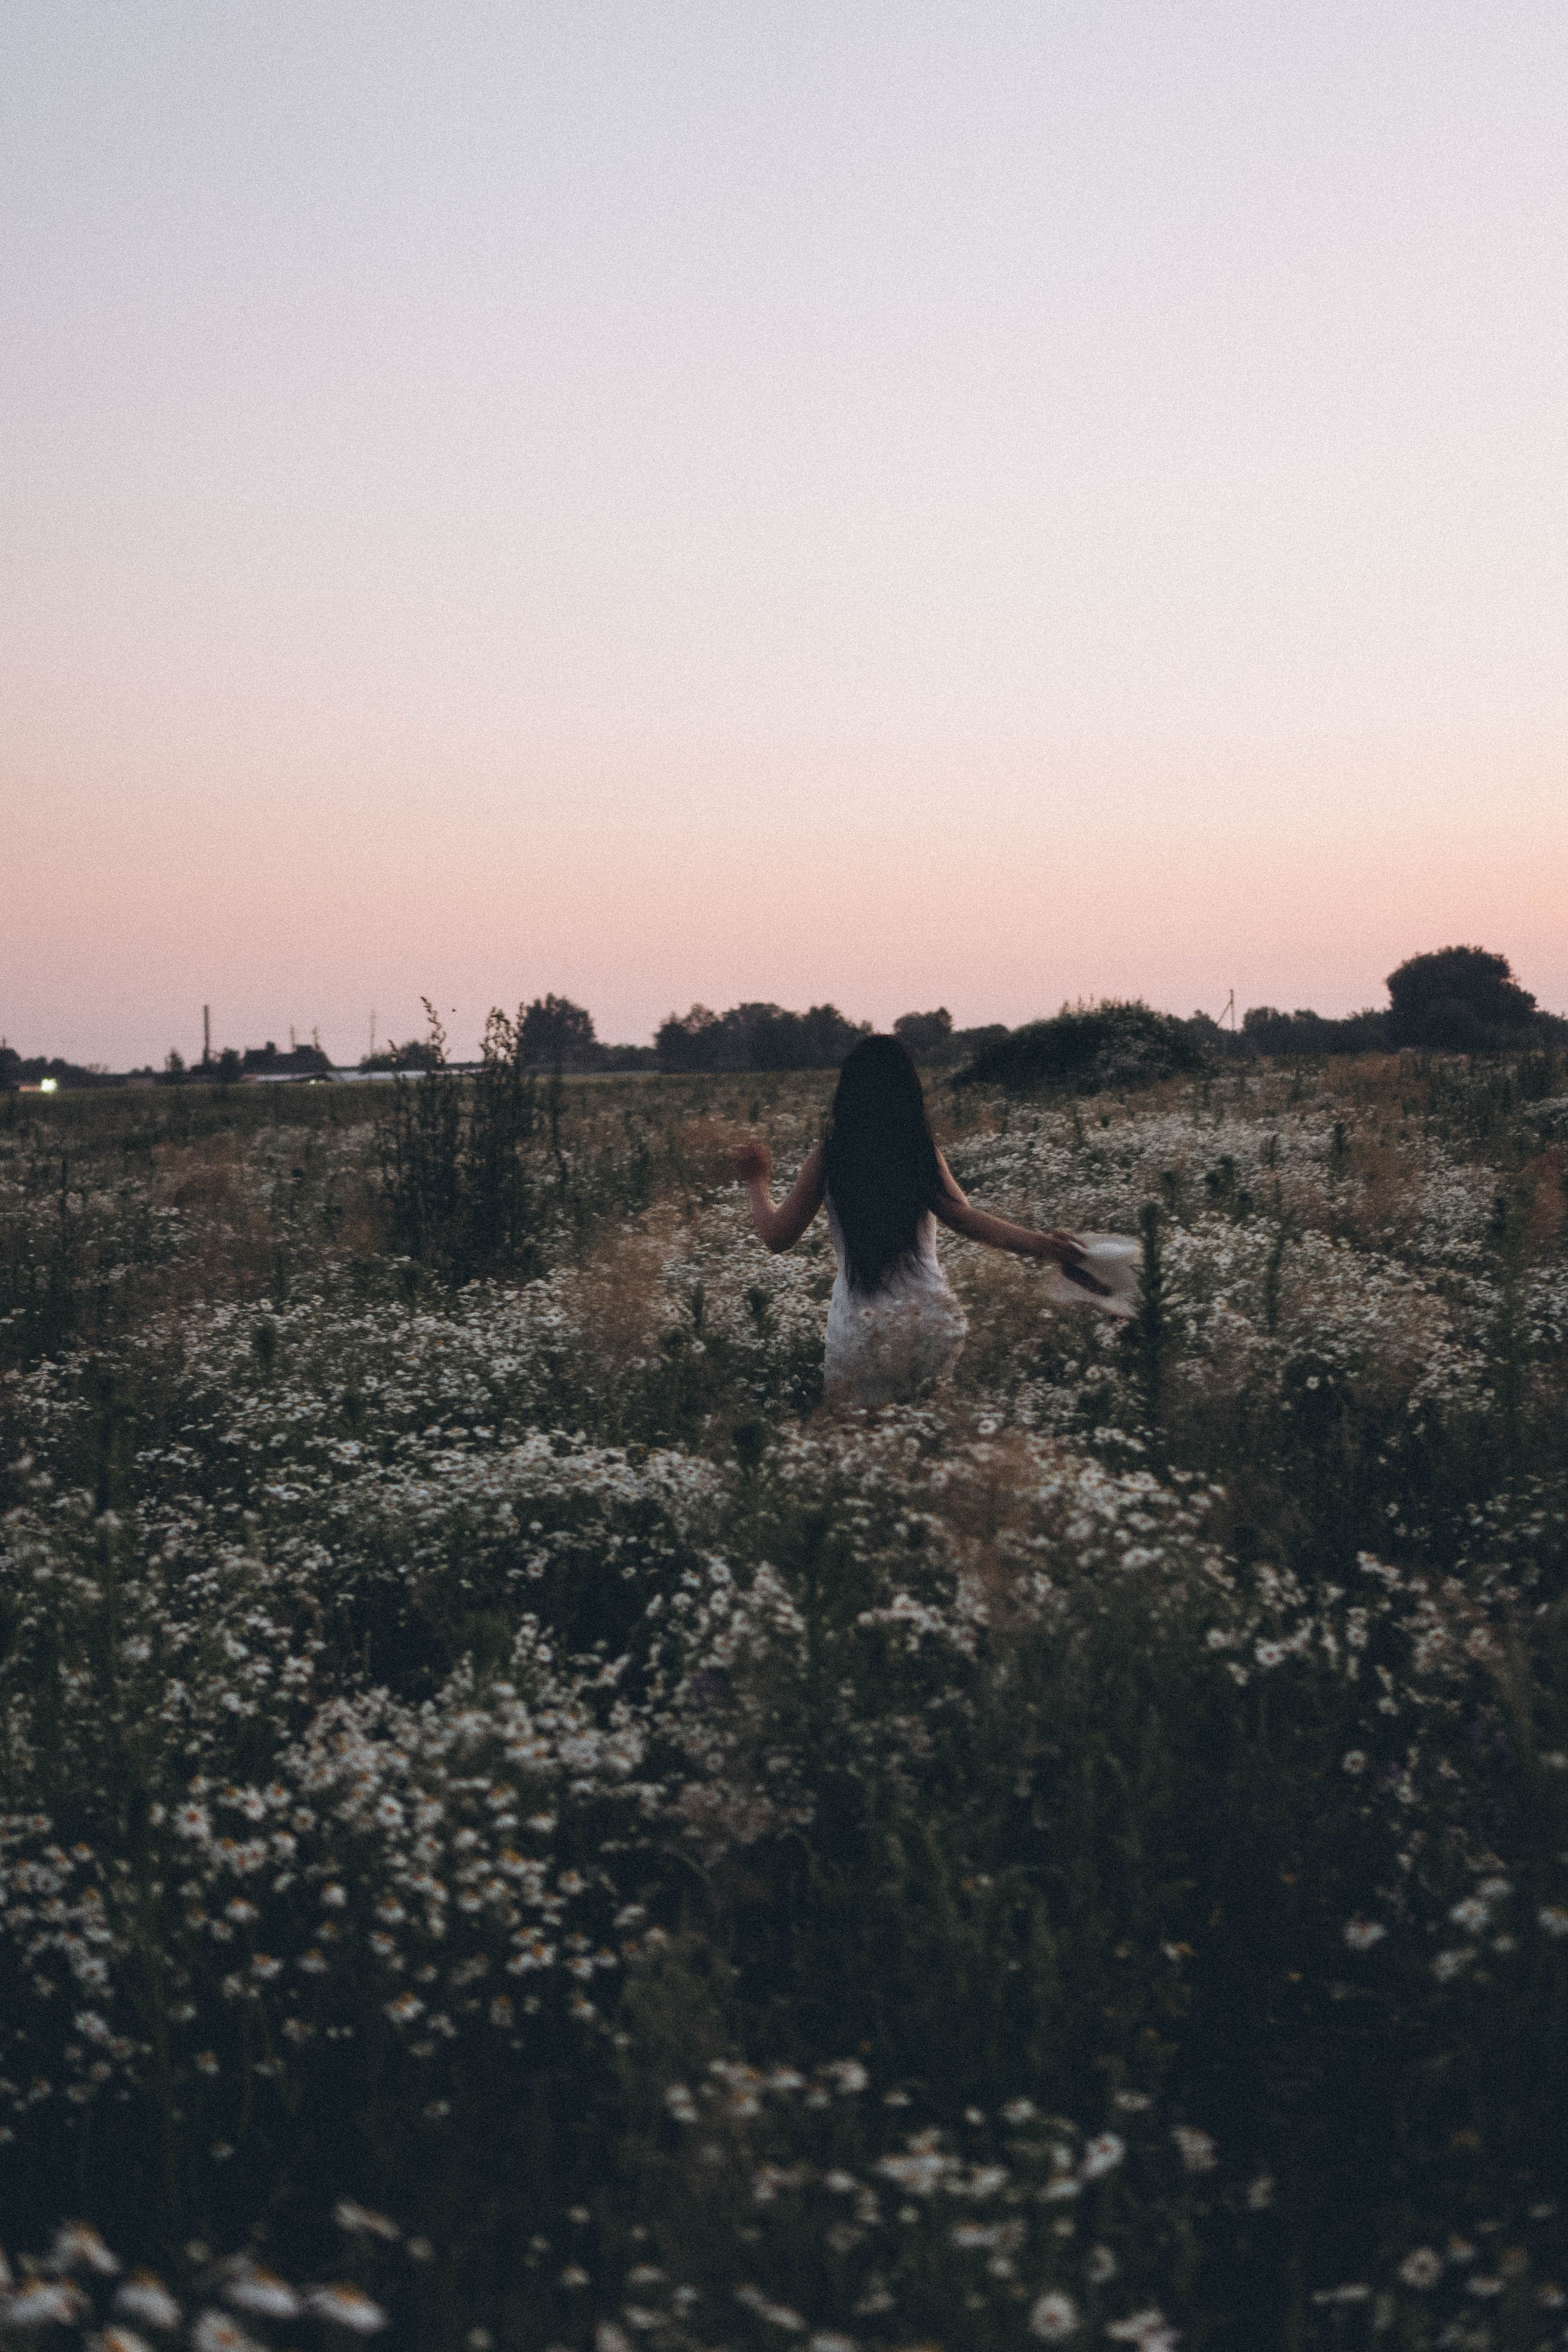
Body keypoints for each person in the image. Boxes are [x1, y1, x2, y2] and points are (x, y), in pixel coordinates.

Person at [731, 1033, 1113, 1410]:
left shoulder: (829, 1160)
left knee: (854, 1448)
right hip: (929, 1324)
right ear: (907, 1094)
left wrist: (755, 1182)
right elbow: (963, 1215)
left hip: (859, 1331)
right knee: (924, 1444)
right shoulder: (917, 1153)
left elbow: (777, 1238)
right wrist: (1044, 1245)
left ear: (848, 1095)